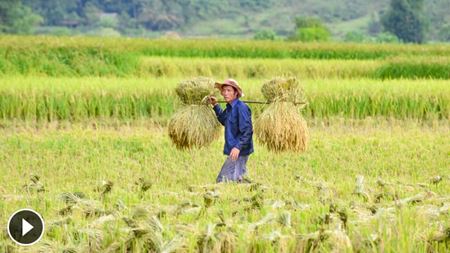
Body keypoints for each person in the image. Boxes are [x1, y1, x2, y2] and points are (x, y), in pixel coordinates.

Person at [208, 79, 254, 183]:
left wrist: (238, 147)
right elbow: (224, 120)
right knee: (237, 178)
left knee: (223, 179)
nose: (225, 93)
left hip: (240, 150)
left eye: (229, 90)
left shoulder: (241, 108)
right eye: (224, 91)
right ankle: (247, 190)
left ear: (236, 93)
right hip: (234, 148)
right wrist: (215, 105)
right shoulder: (229, 108)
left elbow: (247, 131)